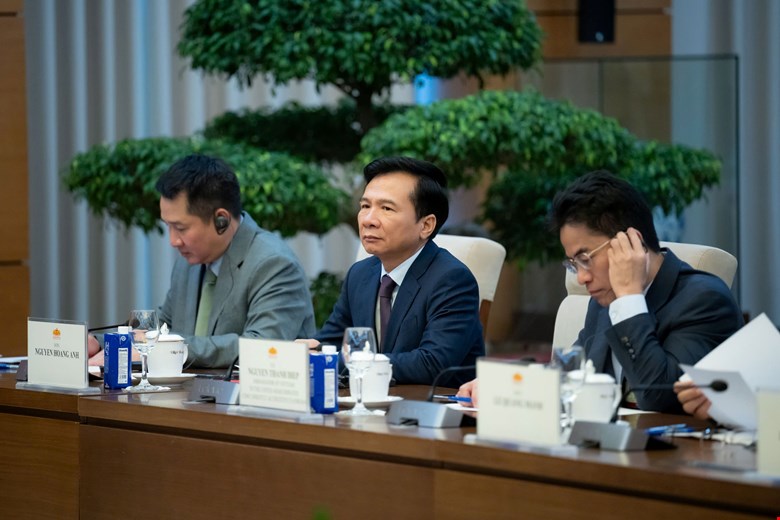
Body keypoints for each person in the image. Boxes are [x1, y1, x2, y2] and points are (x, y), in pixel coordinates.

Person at [458, 170, 743, 412]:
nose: (581, 277)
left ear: (631, 243)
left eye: (585, 258)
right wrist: (505, 384)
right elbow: (570, 377)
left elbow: (658, 397)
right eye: (574, 264)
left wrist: (629, 299)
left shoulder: (704, 300)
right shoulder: (605, 301)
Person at [89, 153, 316, 367]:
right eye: (168, 226)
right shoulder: (188, 263)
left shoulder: (274, 264)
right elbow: (162, 329)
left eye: (181, 228)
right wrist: (102, 343)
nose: (173, 241)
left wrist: (172, 350)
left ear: (221, 221)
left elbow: (262, 346)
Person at [301, 156, 484, 386]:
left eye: (386, 208)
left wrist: (341, 361)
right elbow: (333, 341)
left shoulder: (452, 280)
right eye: (365, 206)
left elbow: (432, 363)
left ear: (426, 225)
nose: (369, 220)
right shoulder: (360, 274)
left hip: (430, 405)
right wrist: (310, 350)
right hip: (369, 400)